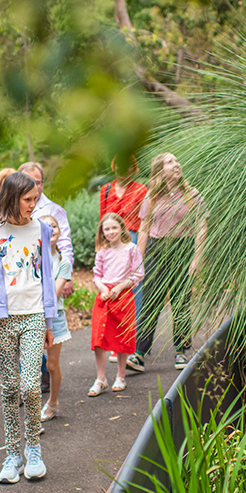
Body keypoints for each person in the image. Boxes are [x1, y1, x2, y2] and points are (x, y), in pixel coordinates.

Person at [0, 172, 57, 484]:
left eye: (36, 199)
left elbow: (46, 275)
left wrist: (50, 321)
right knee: (9, 387)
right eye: (28, 200)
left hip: (34, 314)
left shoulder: (42, 228)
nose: (34, 205)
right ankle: (12, 453)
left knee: (31, 386)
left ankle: (33, 447)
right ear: (11, 198)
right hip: (1, 318)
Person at [127, 153, 207, 372]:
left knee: (181, 302)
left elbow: (202, 225)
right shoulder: (151, 197)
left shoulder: (191, 194)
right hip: (156, 249)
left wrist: (197, 258)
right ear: (160, 171)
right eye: (170, 162)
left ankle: (182, 352)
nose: (176, 164)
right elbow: (143, 229)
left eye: (177, 161)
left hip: (183, 249)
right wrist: (138, 263)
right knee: (151, 301)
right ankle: (139, 354)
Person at [18, 161, 74, 392]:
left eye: (37, 181)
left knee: (49, 345)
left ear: (43, 183)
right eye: (28, 181)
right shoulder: (9, 209)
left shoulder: (54, 210)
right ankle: (28, 385)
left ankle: (46, 381)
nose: (33, 186)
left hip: (51, 275)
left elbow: (65, 242)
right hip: (22, 284)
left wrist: (67, 276)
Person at [99, 155, 149, 368]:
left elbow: (145, 221)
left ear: (133, 168)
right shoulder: (106, 190)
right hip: (110, 245)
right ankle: (114, 343)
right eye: (118, 165)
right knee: (111, 296)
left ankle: (129, 346)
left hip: (131, 242)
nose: (122, 169)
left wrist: (139, 252)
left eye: (127, 166)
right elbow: (102, 220)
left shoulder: (141, 190)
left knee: (132, 296)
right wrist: (100, 249)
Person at [88, 213, 144, 396]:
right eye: (107, 229)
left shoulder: (131, 249)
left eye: (114, 228)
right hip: (105, 297)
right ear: (102, 232)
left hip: (123, 296)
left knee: (122, 337)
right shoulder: (102, 252)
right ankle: (100, 378)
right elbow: (97, 275)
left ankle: (120, 376)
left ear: (121, 228)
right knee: (99, 339)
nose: (111, 232)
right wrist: (103, 289)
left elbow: (137, 274)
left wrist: (120, 287)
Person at [39, 215, 72, 421]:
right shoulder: (31, 257)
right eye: (45, 226)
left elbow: (55, 293)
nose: (50, 229)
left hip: (54, 316)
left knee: (51, 364)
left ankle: (52, 401)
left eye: (54, 226)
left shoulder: (63, 262)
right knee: (31, 364)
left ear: (59, 232)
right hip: (31, 316)